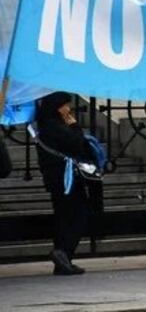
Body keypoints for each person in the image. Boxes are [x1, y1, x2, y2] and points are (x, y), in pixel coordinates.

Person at [35, 92, 97, 276]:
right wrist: (74, 124)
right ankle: (63, 252)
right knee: (77, 216)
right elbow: (77, 143)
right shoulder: (54, 126)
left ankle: (63, 260)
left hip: (58, 179)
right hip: (66, 179)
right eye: (65, 105)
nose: (68, 109)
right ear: (57, 106)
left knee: (64, 216)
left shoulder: (45, 125)